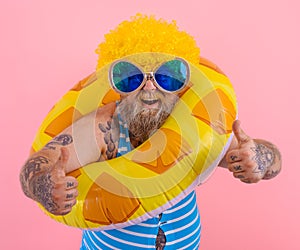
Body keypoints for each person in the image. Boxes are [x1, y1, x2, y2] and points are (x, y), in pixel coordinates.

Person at [19, 15, 282, 249]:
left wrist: (259, 158)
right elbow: (42, 161)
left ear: (181, 84)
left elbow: (270, 161)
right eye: (132, 77)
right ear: (115, 86)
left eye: (165, 76)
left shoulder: (196, 123)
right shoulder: (104, 128)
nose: (149, 88)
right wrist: (42, 186)